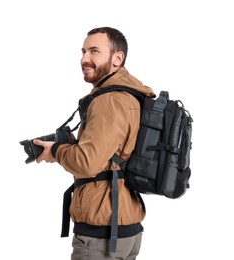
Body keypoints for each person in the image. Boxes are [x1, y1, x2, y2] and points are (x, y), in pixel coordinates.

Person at [34, 27, 155, 260]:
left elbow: (87, 163)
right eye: (83, 51)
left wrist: (56, 151)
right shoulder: (132, 94)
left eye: (94, 51)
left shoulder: (109, 99)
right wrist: (73, 142)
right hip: (125, 229)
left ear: (117, 58)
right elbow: (114, 150)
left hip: (102, 235)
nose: (84, 59)